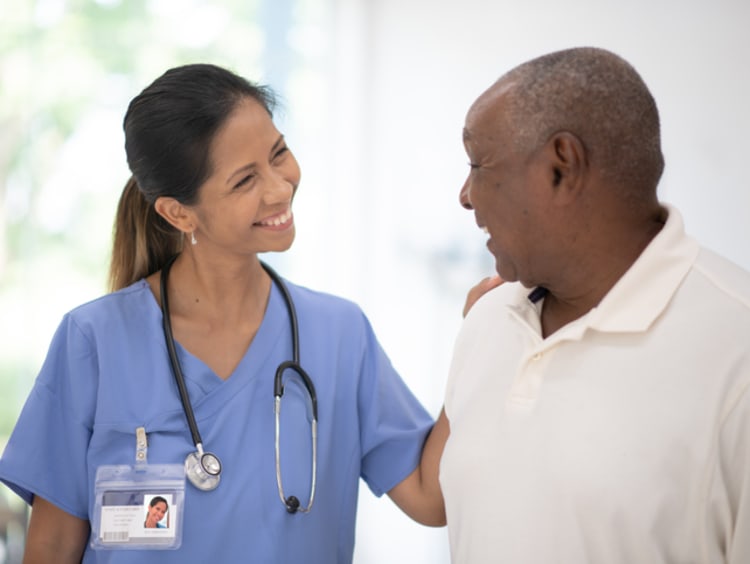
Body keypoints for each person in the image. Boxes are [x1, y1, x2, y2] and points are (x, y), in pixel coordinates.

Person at [0, 63, 449, 563]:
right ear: (179, 213)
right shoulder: (95, 341)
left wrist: (485, 342)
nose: (280, 188)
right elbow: (53, 546)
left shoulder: (340, 336)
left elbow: (433, 497)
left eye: (279, 153)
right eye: (244, 181)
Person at [430, 47, 750, 562]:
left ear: (562, 165)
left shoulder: (736, 357)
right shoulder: (487, 322)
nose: (466, 195)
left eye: (479, 164)